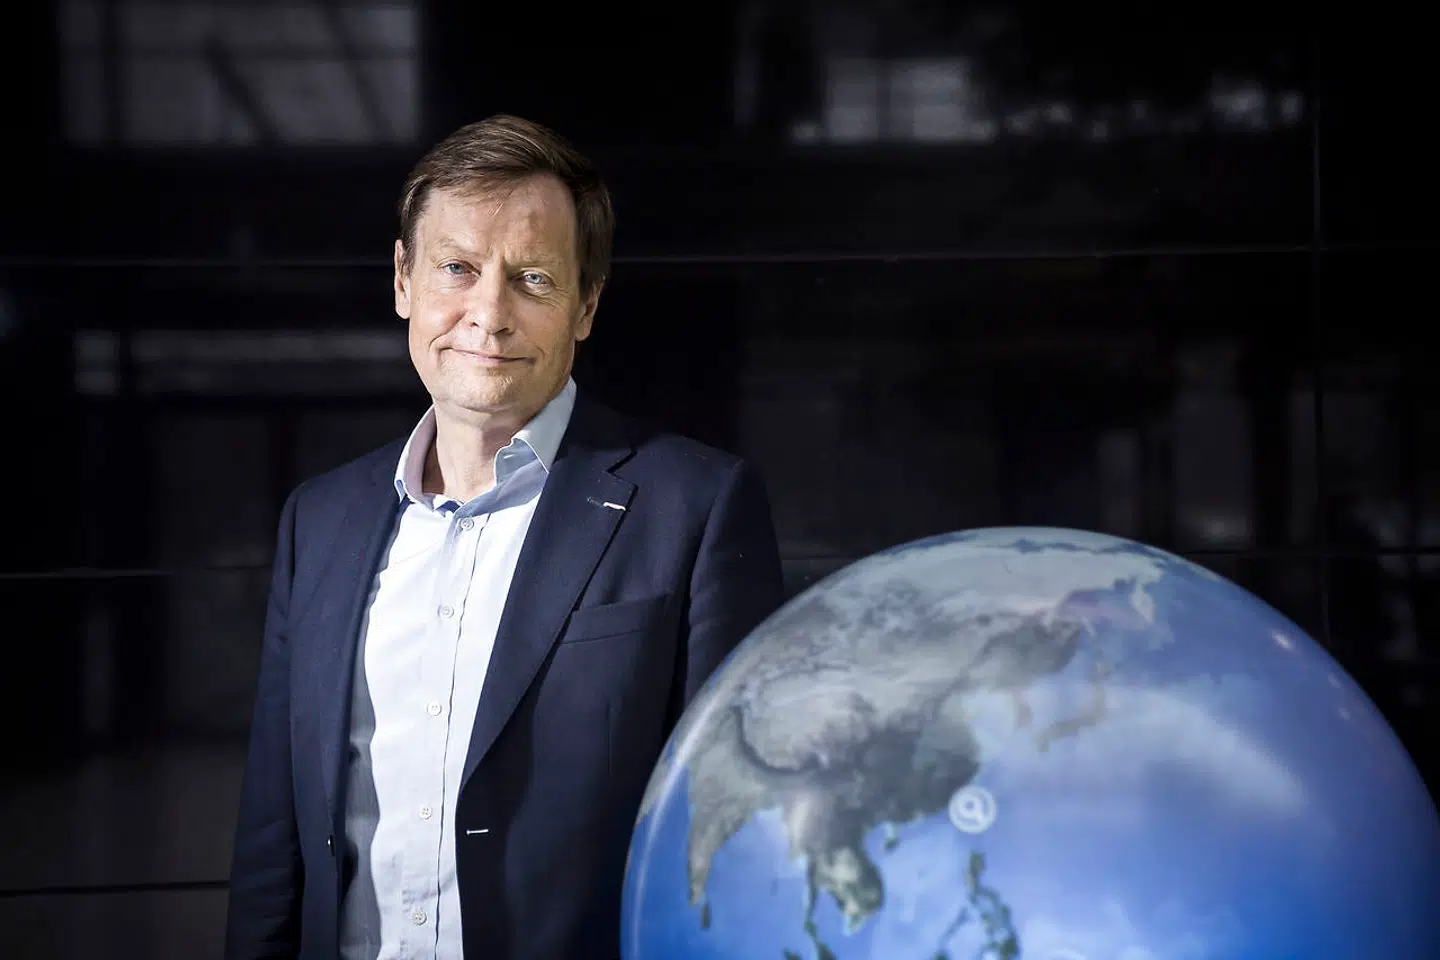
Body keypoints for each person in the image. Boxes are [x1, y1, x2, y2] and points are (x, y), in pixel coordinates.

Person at [223, 114, 785, 960]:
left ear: (585, 306)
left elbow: (730, 837)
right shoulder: (320, 520)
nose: (488, 314)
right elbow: (273, 845)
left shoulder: (696, 508)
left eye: (532, 278)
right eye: (457, 268)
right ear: (404, 280)